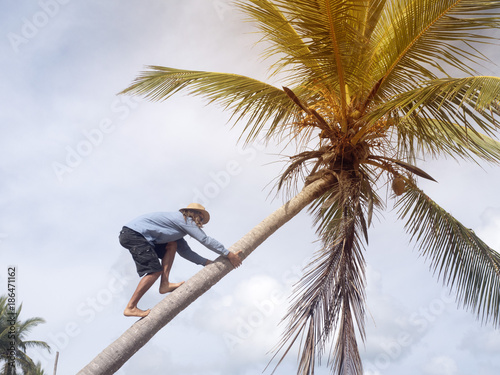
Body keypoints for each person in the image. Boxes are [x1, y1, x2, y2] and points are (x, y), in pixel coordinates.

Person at [119, 203, 242, 318]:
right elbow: (205, 240)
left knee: (172, 245)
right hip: (134, 234)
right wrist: (228, 254)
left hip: (138, 236)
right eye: (201, 218)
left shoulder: (176, 231)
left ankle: (164, 284)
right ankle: (131, 307)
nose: (201, 222)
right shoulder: (185, 220)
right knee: (154, 271)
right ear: (194, 214)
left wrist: (207, 263)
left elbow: (186, 252)